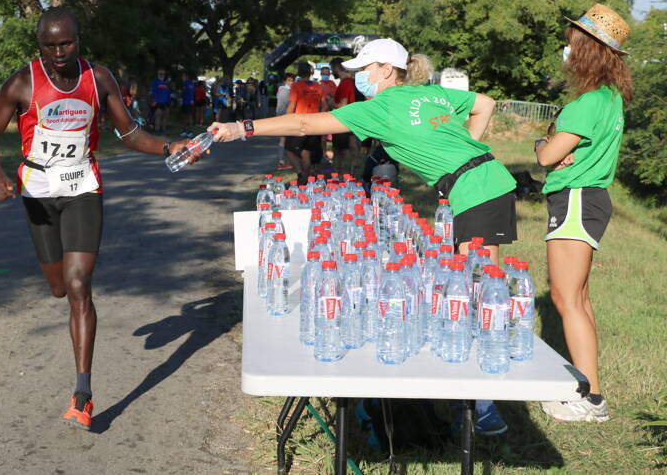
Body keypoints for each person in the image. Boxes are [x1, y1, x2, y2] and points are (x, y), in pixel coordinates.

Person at [210, 38, 517, 435]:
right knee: (468, 283)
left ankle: (484, 409)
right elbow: (485, 104)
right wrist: (466, 157)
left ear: (386, 70)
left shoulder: (382, 107)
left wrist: (241, 127)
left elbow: (306, 124)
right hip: (480, 183)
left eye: (365, 71)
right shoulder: (429, 94)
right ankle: (470, 401)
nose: (360, 78)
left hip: (479, 192)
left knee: (475, 287)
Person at [0, 6, 201, 432]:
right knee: (60, 287)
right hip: (39, 196)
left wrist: (170, 147)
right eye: (49, 45)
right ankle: (64, 301)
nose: (58, 52)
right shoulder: (22, 82)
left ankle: (82, 392)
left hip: (83, 188)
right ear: (38, 43)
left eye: (66, 43)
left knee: (80, 284)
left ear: (79, 40)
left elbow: (129, 133)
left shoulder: (98, 79)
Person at [536, 4, 632, 423]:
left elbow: (547, 157)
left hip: (575, 199)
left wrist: (545, 144)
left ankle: (590, 400)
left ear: (587, 50)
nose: (569, 48)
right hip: (591, 198)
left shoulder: (585, 103)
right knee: (579, 297)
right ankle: (586, 386)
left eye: (574, 42)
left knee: (564, 298)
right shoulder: (611, 99)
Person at [283, 61, 328, 183]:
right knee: (306, 152)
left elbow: (292, 106)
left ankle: (300, 174)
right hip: (314, 123)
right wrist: (321, 119)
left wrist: (285, 122)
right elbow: (325, 106)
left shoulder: (295, 86)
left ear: (298, 73)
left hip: (299, 123)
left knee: (288, 149)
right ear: (311, 73)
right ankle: (306, 177)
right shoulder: (318, 86)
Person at [330, 57, 360, 174]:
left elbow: (343, 105)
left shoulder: (345, 82)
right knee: (352, 145)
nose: (332, 72)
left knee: (340, 150)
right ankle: (351, 170)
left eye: (332, 69)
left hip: (342, 121)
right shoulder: (349, 82)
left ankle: (341, 173)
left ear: (337, 68)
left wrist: (330, 101)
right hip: (350, 119)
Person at [150, 69, 171, 134]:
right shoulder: (155, 82)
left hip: (166, 103)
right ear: (158, 74)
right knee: (158, 116)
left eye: (163, 74)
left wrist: (168, 102)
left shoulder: (165, 83)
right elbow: (153, 92)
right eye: (160, 73)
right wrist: (155, 101)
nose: (162, 75)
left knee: (165, 116)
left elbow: (168, 93)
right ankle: (157, 130)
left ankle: (163, 130)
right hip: (158, 102)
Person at [179, 73, 195, 137]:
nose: (182, 78)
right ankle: (185, 131)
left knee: (188, 117)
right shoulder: (191, 83)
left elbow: (184, 92)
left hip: (187, 103)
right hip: (187, 102)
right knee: (186, 117)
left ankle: (189, 132)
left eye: (182, 77)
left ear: (186, 77)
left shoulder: (186, 83)